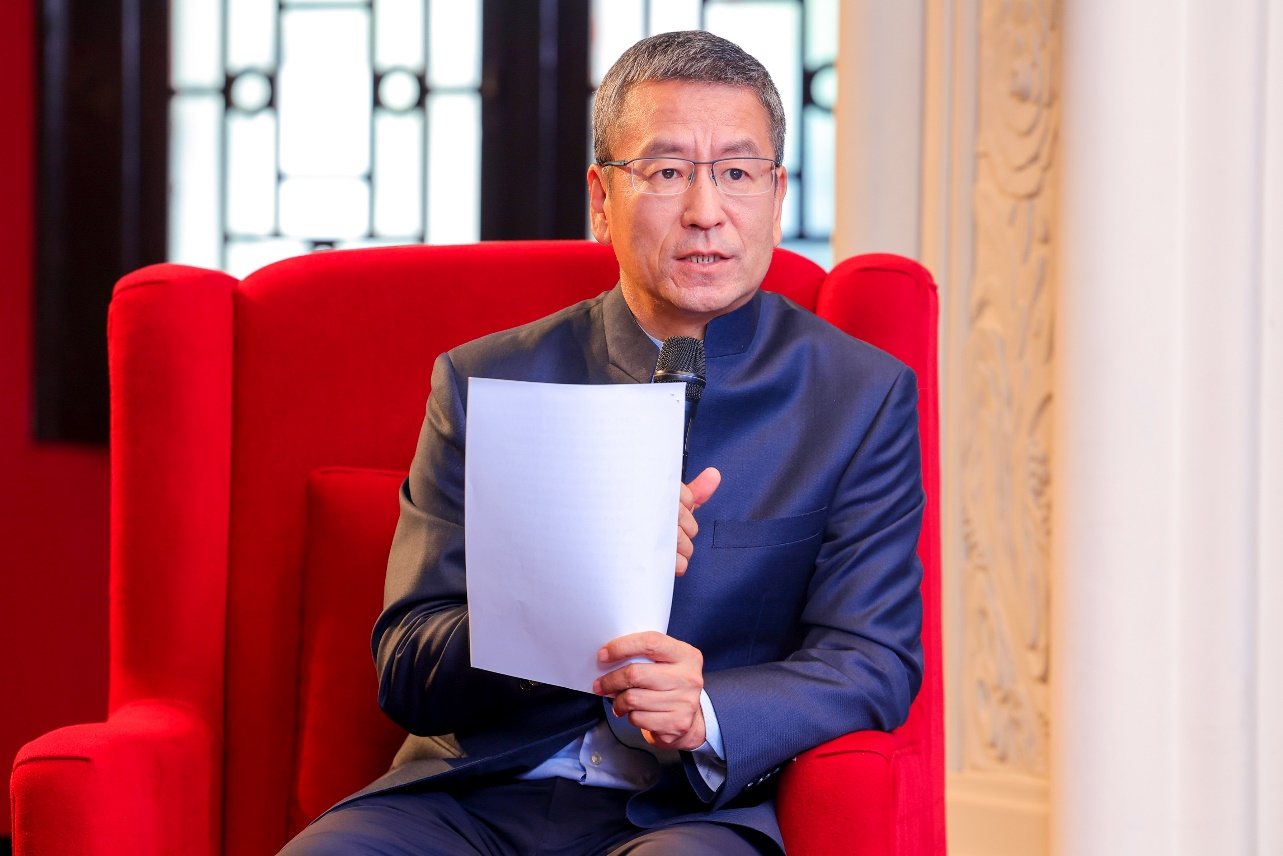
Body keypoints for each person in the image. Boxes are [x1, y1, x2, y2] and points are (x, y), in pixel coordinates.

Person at [281, 30, 924, 856]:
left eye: (736, 172)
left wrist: (707, 714)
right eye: (666, 172)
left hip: (689, 813)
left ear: (775, 195)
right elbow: (406, 667)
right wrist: (564, 590)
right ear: (600, 198)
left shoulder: (857, 395)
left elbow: (871, 657)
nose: (705, 211)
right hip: (470, 796)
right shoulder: (484, 380)